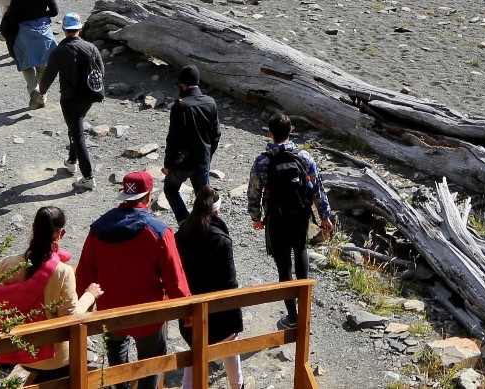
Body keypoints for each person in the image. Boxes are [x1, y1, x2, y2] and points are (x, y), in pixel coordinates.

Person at [77, 172, 189, 389]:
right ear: (147, 198)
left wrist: (83, 308)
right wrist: (186, 309)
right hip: (147, 314)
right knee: (152, 359)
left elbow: (84, 274)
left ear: (123, 195)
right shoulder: (158, 232)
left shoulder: (98, 229)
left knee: (117, 354)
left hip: (110, 312)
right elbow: (174, 278)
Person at [0, 206, 102, 386]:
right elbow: (69, 316)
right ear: (60, 234)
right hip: (54, 359)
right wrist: (89, 295)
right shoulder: (63, 272)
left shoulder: (7, 264)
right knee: (88, 364)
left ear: (33, 228)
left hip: (19, 351)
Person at [247, 114, 333, 328]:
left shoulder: (263, 160)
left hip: (276, 218)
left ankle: (292, 317)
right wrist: (325, 217)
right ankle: (305, 312)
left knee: (284, 265)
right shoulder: (304, 157)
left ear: (270, 133)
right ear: (291, 130)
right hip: (300, 215)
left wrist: (256, 218)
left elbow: (254, 192)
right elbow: (317, 190)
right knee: (301, 251)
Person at [174, 187, 243, 389]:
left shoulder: (180, 236)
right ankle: (238, 386)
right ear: (217, 212)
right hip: (220, 316)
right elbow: (230, 284)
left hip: (190, 315)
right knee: (230, 343)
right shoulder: (221, 240)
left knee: (195, 349)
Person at [39, 12, 106, 190]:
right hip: (89, 97)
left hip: (69, 99)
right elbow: (101, 71)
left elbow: (49, 74)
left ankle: (88, 177)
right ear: (80, 28)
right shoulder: (91, 47)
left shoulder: (60, 50)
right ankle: (71, 161)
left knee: (78, 134)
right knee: (74, 127)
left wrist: (42, 92)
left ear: (64, 29)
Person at [161, 66, 219, 223]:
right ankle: (210, 226)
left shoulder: (180, 106)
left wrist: (168, 164)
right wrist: (208, 155)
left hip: (183, 164)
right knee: (205, 198)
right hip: (202, 161)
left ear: (182, 84)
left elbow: (173, 139)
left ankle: (184, 222)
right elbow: (216, 134)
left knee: (170, 189)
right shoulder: (210, 102)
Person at [1, 0, 60, 111]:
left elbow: (12, 16)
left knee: (26, 64)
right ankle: (42, 93)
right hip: (43, 33)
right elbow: (54, 11)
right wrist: (40, 14)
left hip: (24, 35)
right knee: (43, 65)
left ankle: (34, 90)